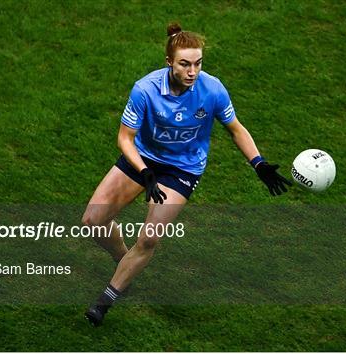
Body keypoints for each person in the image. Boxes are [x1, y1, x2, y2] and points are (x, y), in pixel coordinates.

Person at [82, 23, 292, 326]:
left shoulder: (212, 89)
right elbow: (125, 138)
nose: (193, 71)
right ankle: (122, 261)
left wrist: (258, 163)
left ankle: (106, 299)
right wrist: (144, 172)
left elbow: (235, 128)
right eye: (184, 64)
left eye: (198, 63)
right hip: (143, 159)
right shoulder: (145, 89)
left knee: (150, 238)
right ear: (169, 62)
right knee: (92, 222)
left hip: (182, 168)